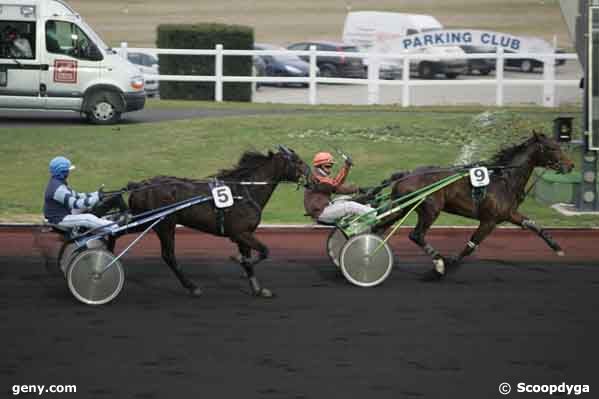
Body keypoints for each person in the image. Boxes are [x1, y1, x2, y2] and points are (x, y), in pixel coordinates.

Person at [43, 156, 115, 232]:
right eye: (67, 171)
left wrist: (97, 194)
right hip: (59, 219)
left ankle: (103, 223)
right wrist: (97, 198)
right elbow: (76, 204)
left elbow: (77, 196)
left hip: (64, 212)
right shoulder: (58, 189)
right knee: (87, 218)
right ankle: (115, 227)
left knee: (90, 207)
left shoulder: (58, 183)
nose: (69, 173)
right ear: (62, 173)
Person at [304, 151, 373, 224]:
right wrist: (346, 167)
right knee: (350, 206)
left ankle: (368, 209)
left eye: (331, 166)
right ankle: (375, 214)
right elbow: (335, 185)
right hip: (321, 213)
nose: (330, 169)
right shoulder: (317, 178)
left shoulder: (319, 176)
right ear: (319, 165)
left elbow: (338, 189)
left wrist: (359, 189)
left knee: (345, 198)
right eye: (327, 166)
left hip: (323, 209)